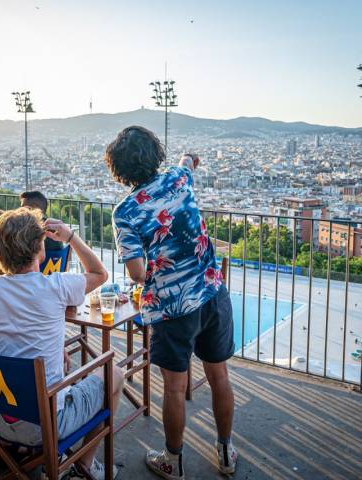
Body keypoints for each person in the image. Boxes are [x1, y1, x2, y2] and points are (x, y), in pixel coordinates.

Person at [105, 126, 237, 479]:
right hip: (212, 294)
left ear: (118, 169)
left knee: (176, 389)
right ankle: (225, 452)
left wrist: (158, 264)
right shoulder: (179, 179)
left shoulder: (125, 212)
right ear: (155, 155)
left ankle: (173, 461)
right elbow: (188, 162)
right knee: (219, 377)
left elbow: (135, 273)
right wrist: (189, 158)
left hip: (171, 309)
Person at [0, 207, 124, 480]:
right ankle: (86, 463)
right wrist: (71, 238)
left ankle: (23, 451)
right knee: (113, 373)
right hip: (44, 424)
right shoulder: (57, 286)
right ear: (39, 249)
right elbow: (100, 273)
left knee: (58, 368)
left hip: (0, 416)